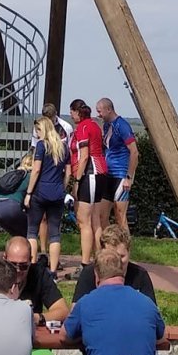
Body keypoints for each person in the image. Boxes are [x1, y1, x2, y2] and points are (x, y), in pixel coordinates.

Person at [63, 245, 165, 355]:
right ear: (122, 271)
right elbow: (161, 337)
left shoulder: (85, 303)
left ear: (96, 275)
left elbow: (64, 335)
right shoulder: (147, 303)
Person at [0, 234, 68, 322]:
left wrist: (36, 318)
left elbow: (62, 311)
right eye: (12, 265)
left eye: (23, 266)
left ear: (30, 260)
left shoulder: (39, 274)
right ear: (4, 258)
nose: (17, 270)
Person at [67, 99, 109, 264]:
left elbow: (84, 156)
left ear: (77, 112)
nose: (71, 116)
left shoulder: (84, 127)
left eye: (71, 112)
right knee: (95, 220)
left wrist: (77, 180)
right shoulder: (94, 125)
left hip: (89, 174)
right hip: (99, 172)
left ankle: (85, 264)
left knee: (84, 221)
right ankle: (98, 261)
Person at [72, 222, 156, 302]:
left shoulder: (140, 275)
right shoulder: (89, 273)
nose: (117, 262)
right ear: (101, 253)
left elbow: (151, 312)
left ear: (129, 252)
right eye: (112, 256)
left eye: (121, 256)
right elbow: (76, 311)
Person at [26, 116, 68, 273]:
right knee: (55, 233)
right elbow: (68, 172)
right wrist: (62, 187)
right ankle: (53, 271)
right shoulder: (63, 148)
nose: (36, 133)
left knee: (32, 230)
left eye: (37, 130)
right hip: (57, 192)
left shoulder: (41, 146)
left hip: (40, 191)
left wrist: (29, 192)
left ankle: (32, 266)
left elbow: (36, 170)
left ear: (41, 129)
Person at [97, 96, 138, 232]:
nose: (99, 115)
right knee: (102, 215)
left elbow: (134, 152)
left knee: (120, 216)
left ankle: (125, 251)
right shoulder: (107, 125)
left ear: (109, 110)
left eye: (100, 111)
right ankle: (111, 246)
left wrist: (129, 177)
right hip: (108, 175)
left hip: (121, 176)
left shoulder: (122, 126)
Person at [0, 152, 35, 237]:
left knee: (16, 234)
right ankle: (29, 248)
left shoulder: (11, 174)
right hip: (12, 208)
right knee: (30, 231)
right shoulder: (30, 177)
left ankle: (13, 248)